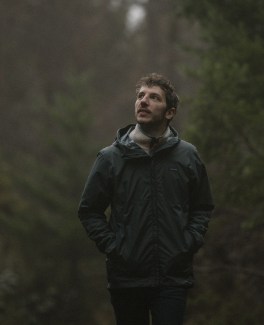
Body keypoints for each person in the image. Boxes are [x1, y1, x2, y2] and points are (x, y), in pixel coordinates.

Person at [78, 73, 215, 325]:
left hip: (173, 277)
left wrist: (189, 242)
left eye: (154, 98)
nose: (143, 101)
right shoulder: (110, 158)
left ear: (170, 112)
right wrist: (115, 247)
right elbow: (89, 211)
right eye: (140, 96)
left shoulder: (187, 156)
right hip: (127, 278)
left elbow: (202, 206)